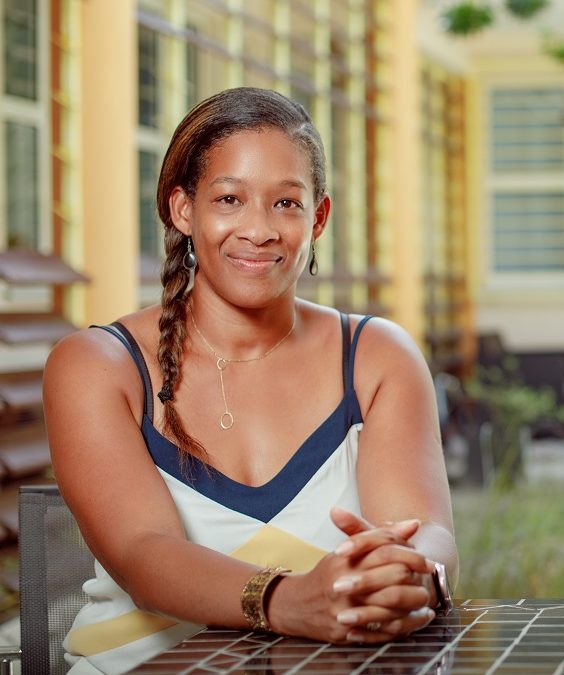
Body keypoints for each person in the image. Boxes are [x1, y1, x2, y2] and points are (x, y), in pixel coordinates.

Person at [43, 87, 457, 673]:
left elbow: (426, 532)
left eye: (286, 204)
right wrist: (288, 600)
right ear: (183, 209)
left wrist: (415, 577)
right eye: (231, 198)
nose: (260, 230)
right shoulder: (96, 365)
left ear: (318, 216)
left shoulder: (375, 355)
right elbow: (143, 555)